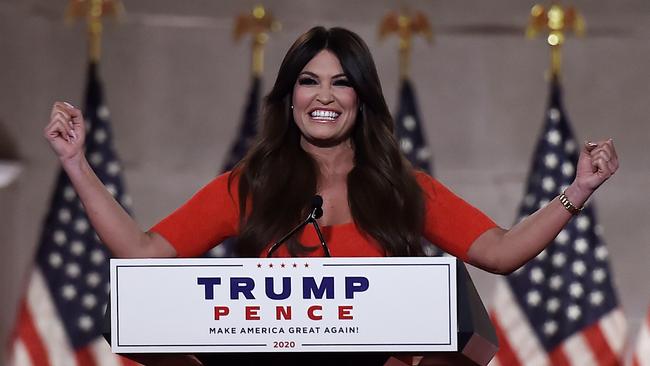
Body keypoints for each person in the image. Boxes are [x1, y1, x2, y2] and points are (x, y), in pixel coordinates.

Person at [44, 26, 618, 365]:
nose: (325, 96)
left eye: (342, 81)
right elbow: (144, 256)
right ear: (289, 97)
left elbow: (500, 250)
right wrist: (76, 164)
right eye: (309, 80)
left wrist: (578, 190)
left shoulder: (401, 185)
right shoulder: (252, 184)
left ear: (361, 98)